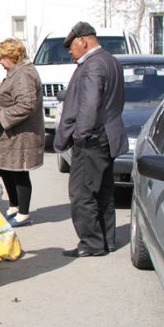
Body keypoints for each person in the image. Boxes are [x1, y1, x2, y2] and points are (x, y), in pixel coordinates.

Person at [54, 21, 128, 257]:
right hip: (106, 136)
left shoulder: (92, 66)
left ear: (83, 41)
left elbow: (89, 105)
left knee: (82, 193)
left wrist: (80, 136)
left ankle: (92, 243)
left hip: (92, 139)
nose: (69, 52)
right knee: (103, 192)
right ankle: (106, 240)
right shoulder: (110, 60)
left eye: (71, 47)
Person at [0, 38, 45, 228]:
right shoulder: (16, 72)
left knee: (19, 172)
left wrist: (1, 116)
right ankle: (14, 206)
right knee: (8, 171)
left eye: (2, 57)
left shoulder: (23, 74)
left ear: (12, 56)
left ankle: (23, 214)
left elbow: (26, 104)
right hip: (11, 134)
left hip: (20, 135)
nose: (0, 62)